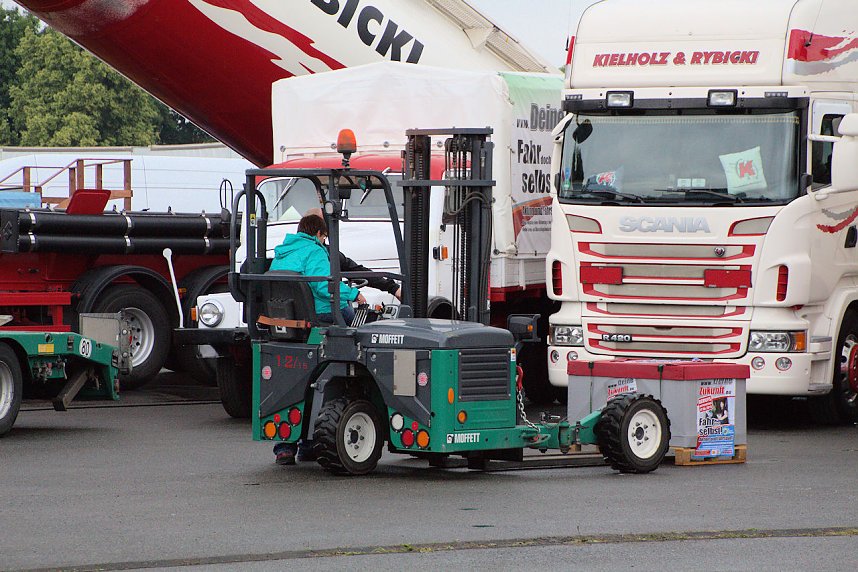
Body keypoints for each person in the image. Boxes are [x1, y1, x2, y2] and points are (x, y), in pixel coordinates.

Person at [269, 213, 366, 324]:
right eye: (324, 237)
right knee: (355, 319)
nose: (323, 242)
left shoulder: (281, 253)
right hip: (319, 311)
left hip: (287, 312)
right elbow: (324, 285)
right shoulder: (315, 251)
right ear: (318, 233)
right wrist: (354, 294)